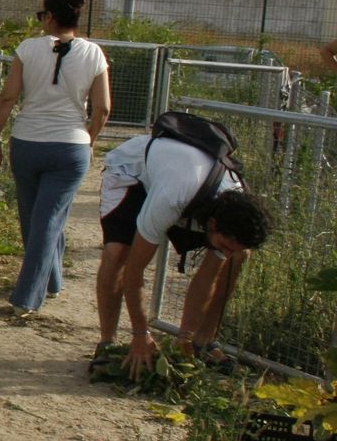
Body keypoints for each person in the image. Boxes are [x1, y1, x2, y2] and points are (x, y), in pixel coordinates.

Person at [90, 132, 273, 375]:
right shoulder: (172, 198)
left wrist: (184, 338)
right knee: (118, 253)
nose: (227, 252)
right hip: (132, 174)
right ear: (213, 225)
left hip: (191, 189)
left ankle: (201, 342)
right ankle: (107, 345)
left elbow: (208, 277)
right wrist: (141, 334)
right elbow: (134, 271)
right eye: (227, 245)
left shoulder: (233, 206)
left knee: (239, 258)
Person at [0, 0, 112, 317]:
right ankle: (49, 281)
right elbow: (103, 108)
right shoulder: (94, 53)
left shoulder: (28, 49)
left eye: (41, 14)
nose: (40, 20)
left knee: (35, 219)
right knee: (47, 218)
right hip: (70, 147)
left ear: (51, 17)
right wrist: (89, 139)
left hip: (27, 143)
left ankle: (28, 296)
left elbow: (8, 98)